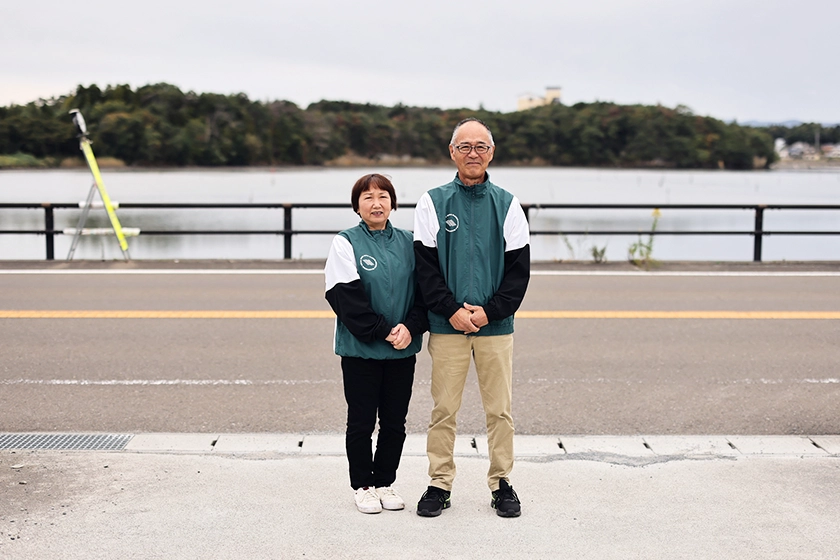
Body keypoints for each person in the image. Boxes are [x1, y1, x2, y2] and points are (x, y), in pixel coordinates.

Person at [412, 118, 530, 518]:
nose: (473, 153)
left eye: (481, 146)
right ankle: (439, 483)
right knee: (444, 409)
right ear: (452, 152)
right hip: (447, 326)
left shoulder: (508, 204)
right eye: (465, 146)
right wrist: (453, 311)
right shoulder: (432, 202)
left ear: (491, 153)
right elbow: (425, 270)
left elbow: (518, 274)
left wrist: (488, 312)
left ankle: (502, 483)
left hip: (496, 327)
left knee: (499, 410)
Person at [324, 173, 428, 514]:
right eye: (367, 197)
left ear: (393, 203)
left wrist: (411, 328)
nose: (376, 203)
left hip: (402, 350)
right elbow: (345, 298)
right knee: (361, 422)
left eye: (383, 196)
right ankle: (363, 486)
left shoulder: (410, 243)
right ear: (357, 205)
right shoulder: (346, 242)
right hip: (361, 351)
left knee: (395, 421)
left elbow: (426, 293)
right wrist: (385, 330)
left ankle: (385, 481)